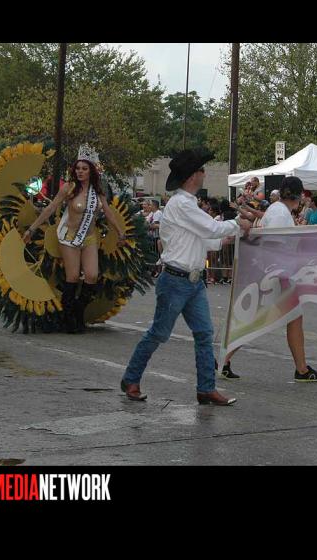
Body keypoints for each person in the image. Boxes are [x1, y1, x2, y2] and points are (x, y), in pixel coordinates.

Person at [121, 148, 251, 404]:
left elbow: (202, 237)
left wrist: (226, 237)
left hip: (191, 280)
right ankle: (131, 378)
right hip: (176, 280)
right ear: (193, 176)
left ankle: (206, 388)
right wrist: (237, 223)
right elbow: (211, 228)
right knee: (160, 333)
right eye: (202, 170)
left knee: (203, 333)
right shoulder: (182, 204)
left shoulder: (186, 204)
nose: (204, 174)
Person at [218, 176, 317, 383]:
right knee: (262, 320)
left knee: (270, 319)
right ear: (298, 195)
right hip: (276, 275)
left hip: (275, 273)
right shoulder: (280, 213)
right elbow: (273, 244)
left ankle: (224, 360)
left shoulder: (278, 210)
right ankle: (301, 370)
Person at [23, 145, 127, 334]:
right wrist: (32, 228)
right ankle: (68, 318)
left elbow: (108, 213)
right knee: (72, 277)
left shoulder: (98, 191)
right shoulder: (69, 188)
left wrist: (120, 232)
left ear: (91, 171)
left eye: (84, 168)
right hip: (69, 238)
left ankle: (78, 312)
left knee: (92, 276)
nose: (80, 172)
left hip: (89, 238)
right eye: (78, 168)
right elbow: (51, 208)